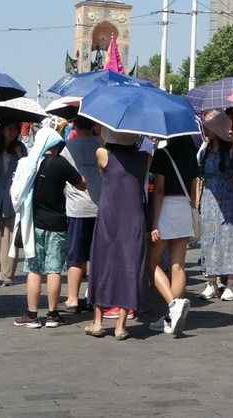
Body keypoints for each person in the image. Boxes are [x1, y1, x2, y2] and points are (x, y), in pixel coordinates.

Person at [13, 135, 86, 329]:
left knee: (34, 269)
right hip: (57, 222)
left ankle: (32, 314)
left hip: (34, 222)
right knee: (54, 269)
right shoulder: (61, 163)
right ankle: (53, 314)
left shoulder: (32, 163)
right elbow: (81, 183)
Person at [86, 129, 149, 340]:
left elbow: (103, 167)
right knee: (129, 266)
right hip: (133, 217)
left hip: (109, 215)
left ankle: (97, 321)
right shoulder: (144, 157)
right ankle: (121, 325)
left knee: (103, 263)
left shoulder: (103, 153)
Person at [146, 136, 199, 335]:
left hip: (166, 208)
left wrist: (154, 222)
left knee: (152, 263)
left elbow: (158, 190)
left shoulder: (162, 153)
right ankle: (171, 315)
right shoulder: (191, 153)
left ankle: (172, 305)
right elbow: (194, 186)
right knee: (178, 265)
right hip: (184, 207)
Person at [197, 111, 233, 302]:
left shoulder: (231, 147)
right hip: (209, 197)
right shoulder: (206, 147)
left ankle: (231, 284)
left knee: (229, 238)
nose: (205, 131)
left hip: (227, 197)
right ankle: (211, 281)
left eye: (208, 127)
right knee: (209, 238)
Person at [60, 117, 102, 313]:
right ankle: (94, 296)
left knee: (76, 256)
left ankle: (72, 298)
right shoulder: (102, 145)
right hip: (100, 206)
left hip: (76, 207)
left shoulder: (68, 147)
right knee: (96, 255)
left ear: (75, 126)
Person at [0, 119, 26, 287]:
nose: (11, 133)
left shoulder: (21, 148)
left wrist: (20, 156)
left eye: (14, 129)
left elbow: (27, 171)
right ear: (1, 130)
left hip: (12, 197)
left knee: (9, 238)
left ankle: (7, 274)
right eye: (8, 129)